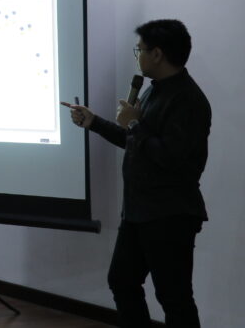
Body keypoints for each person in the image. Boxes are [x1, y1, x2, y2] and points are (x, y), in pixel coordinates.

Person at [64, 19, 210, 327]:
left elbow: (171, 158)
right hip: (138, 211)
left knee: (175, 298)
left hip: (169, 214)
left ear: (157, 54)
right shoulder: (153, 91)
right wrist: (95, 122)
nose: (138, 56)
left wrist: (133, 123)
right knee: (122, 281)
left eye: (139, 50)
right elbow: (137, 141)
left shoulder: (188, 100)